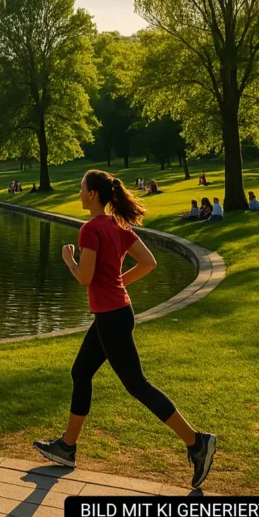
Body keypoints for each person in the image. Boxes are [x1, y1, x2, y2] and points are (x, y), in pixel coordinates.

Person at [33, 170, 214, 488]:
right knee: (81, 372)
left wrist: (68, 260)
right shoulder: (119, 224)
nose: (79, 193)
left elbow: (85, 278)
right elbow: (149, 262)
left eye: (80, 188)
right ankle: (67, 447)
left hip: (111, 318)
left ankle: (196, 442)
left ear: (91, 195)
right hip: (117, 313)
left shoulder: (90, 229)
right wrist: (119, 282)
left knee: (137, 385)